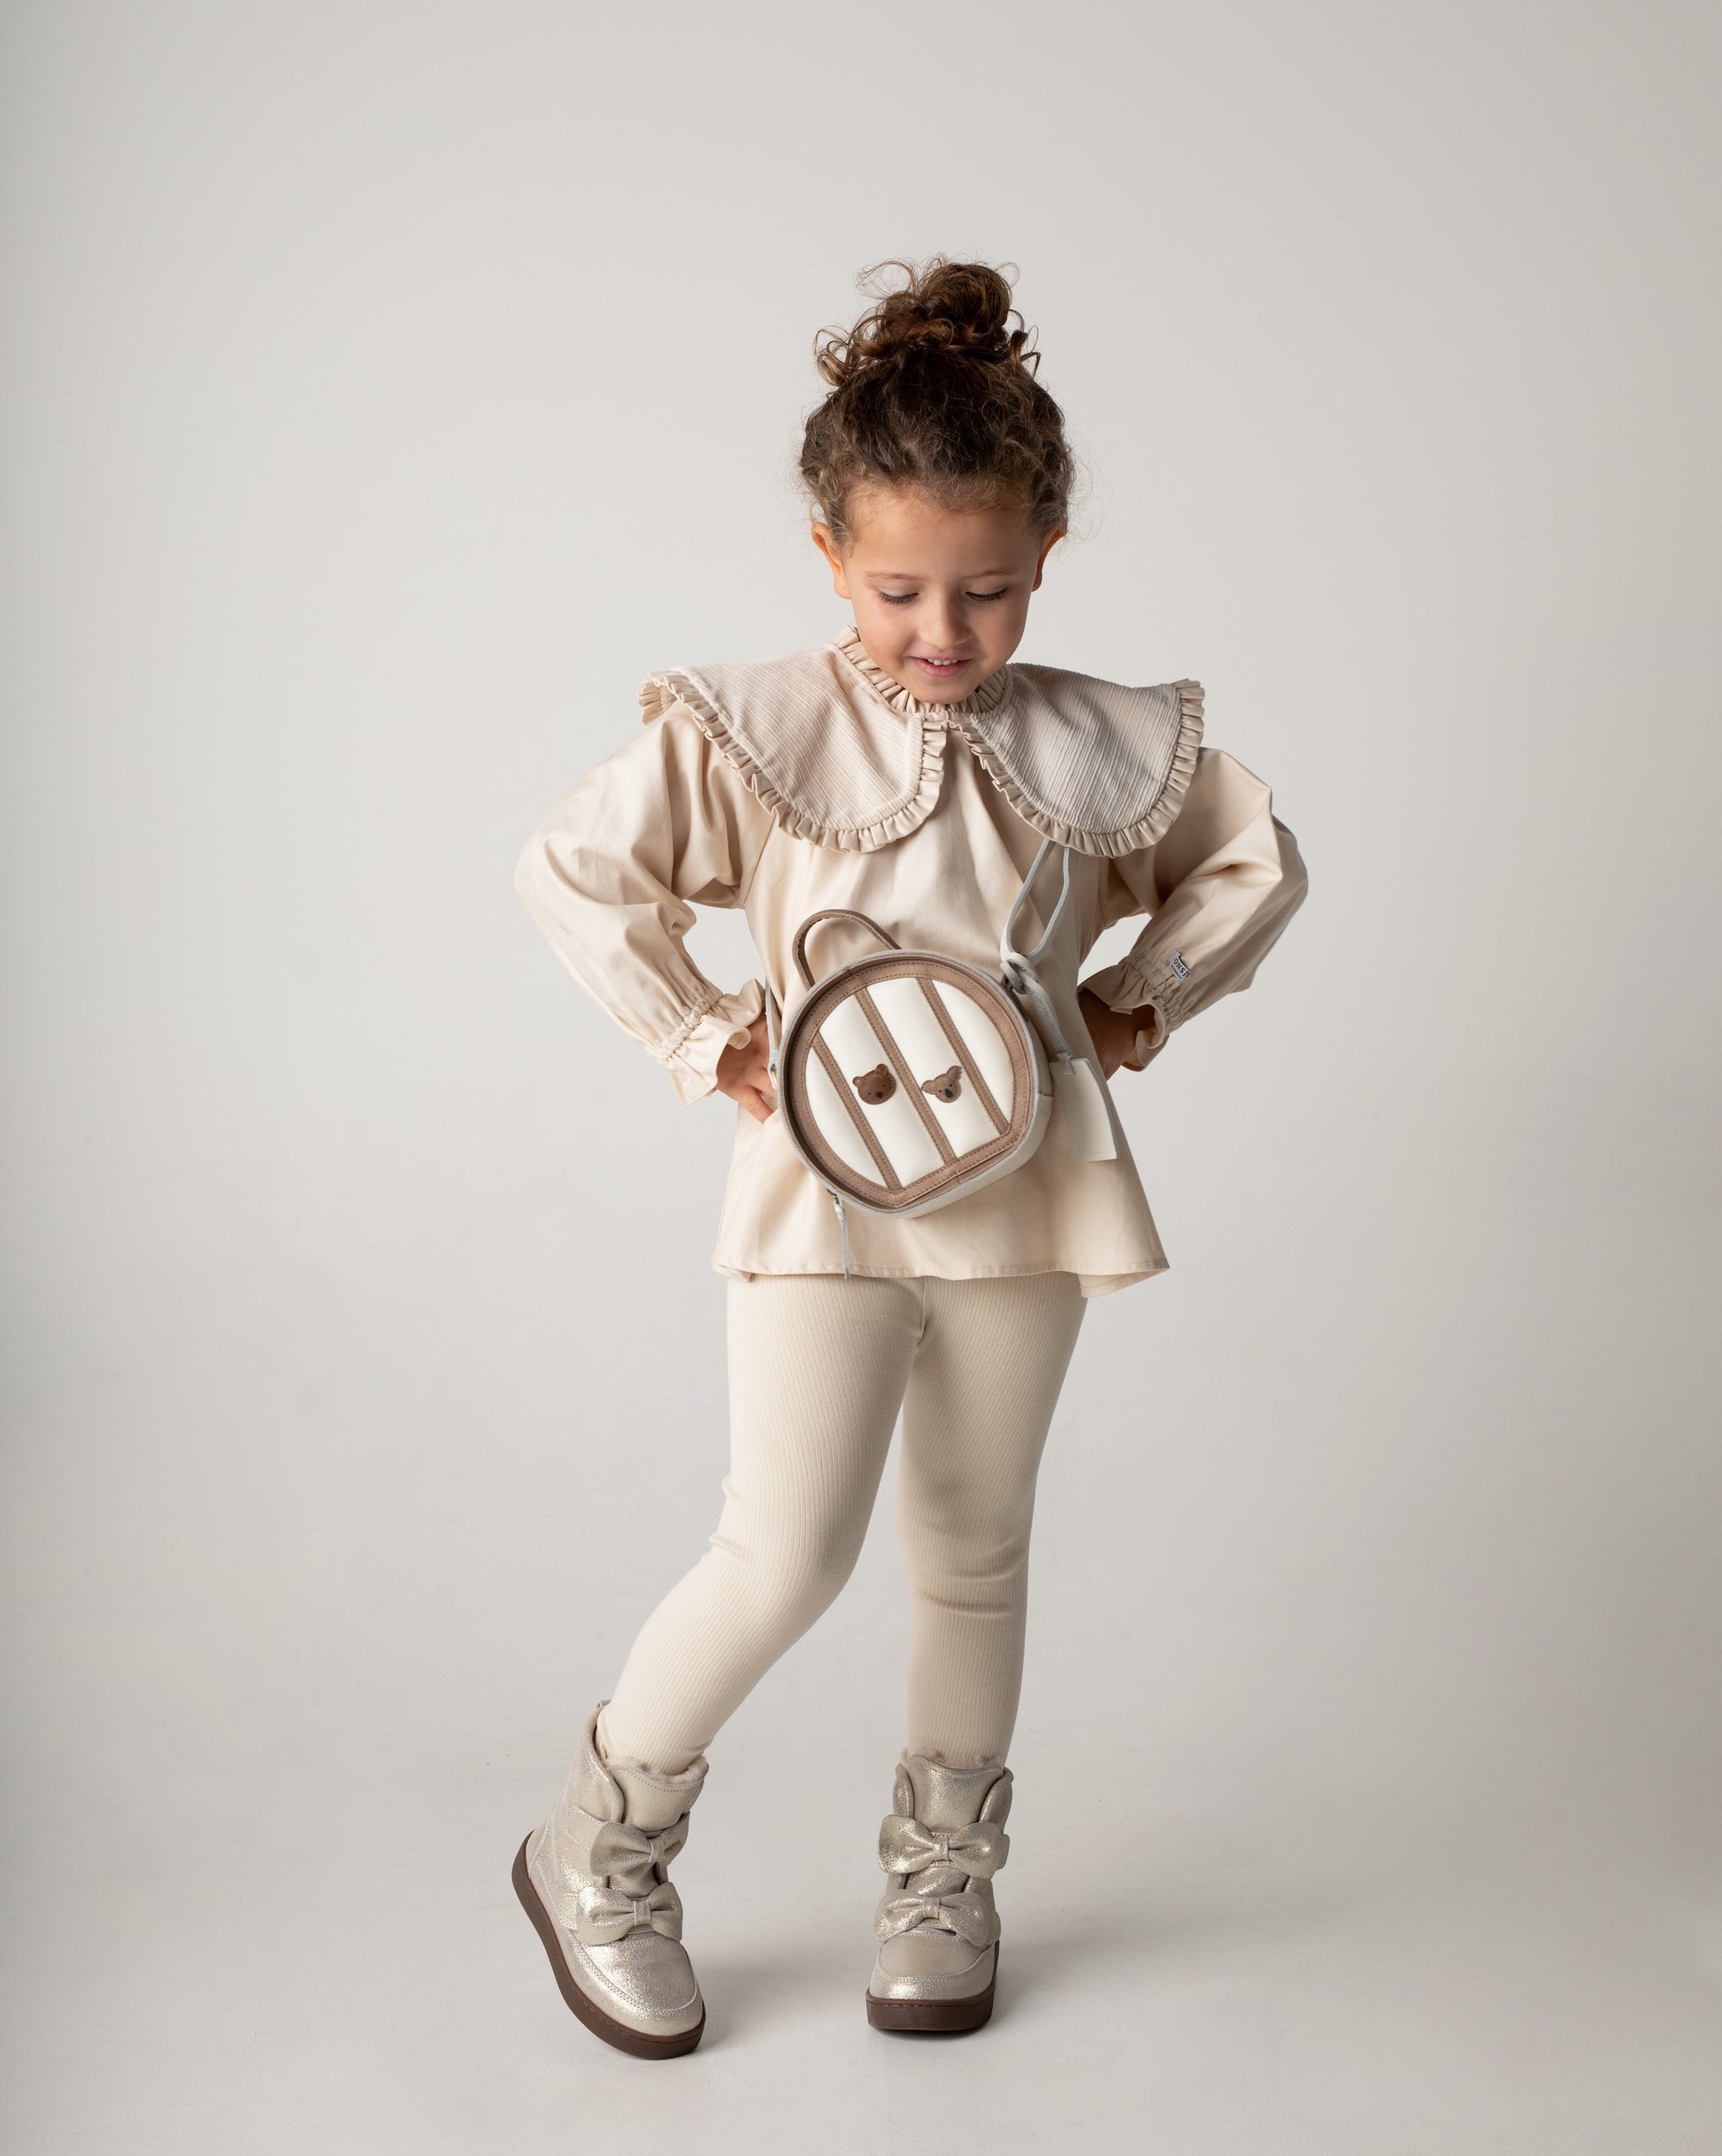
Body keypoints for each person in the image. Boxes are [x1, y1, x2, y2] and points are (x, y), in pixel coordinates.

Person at [510, 258, 1308, 2056]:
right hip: (824, 1192)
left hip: (1028, 1186)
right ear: (826, 555)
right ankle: (597, 1843)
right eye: (895, 590)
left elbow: (1254, 859)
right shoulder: (756, 729)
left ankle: (943, 1876)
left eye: (988, 588)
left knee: (972, 1546)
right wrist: (707, 1035)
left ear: (1044, 558)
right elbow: (573, 868)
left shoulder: (1095, 742)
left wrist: (1135, 1003)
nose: (940, 629)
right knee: (782, 1549)